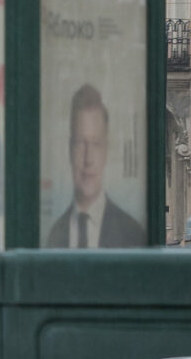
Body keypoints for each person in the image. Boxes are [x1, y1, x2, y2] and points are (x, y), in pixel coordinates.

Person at [47, 83, 144, 247]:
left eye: (96, 144)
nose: (88, 158)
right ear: (70, 149)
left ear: (107, 150)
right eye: (80, 143)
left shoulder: (132, 233)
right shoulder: (54, 234)